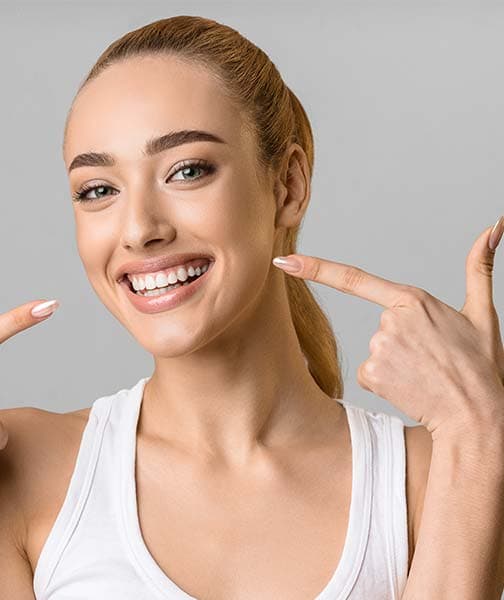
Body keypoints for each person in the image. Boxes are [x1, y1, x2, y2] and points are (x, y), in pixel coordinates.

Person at [0, 15, 434, 599]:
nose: (138, 230)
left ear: (288, 186)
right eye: (98, 189)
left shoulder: (430, 476)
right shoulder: (23, 468)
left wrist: (482, 424)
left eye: (187, 170)